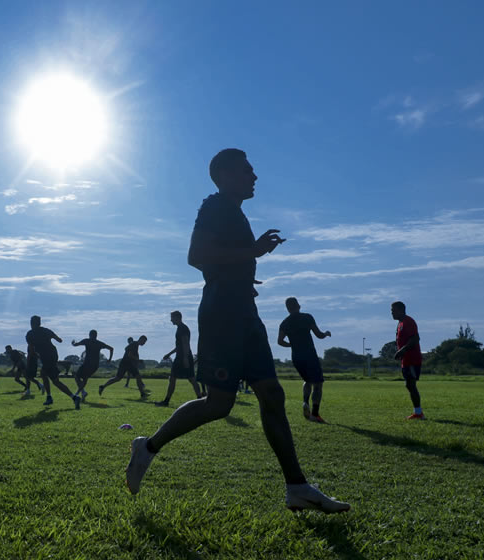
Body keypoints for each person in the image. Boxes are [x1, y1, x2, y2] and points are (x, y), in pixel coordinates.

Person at [125, 148, 349, 513]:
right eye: (247, 171)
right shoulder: (214, 206)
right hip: (223, 314)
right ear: (225, 175)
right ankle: (147, 447)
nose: (254, 177)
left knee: (272, 394)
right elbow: (196, 255)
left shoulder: (234, 212)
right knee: (219, 404)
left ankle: (296, 487)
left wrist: (245, 273)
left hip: (245, 311)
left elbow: (224, 257)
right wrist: (253, 252)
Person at [277, 297, 331, 423]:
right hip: (309, 355)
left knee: (307, 380)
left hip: (296, 357)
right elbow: (319, 335)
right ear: (298, 305)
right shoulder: (307, 317)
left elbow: (280, 341)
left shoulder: (284, 323)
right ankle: (315, 414)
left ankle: (305, 402)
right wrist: (326, 333)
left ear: (287, 308)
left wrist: (292, 344)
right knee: (318, 384)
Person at [25, 315, 79, 408]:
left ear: (31, 323)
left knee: (50, 378)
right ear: (39, 323)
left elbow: (31, 350)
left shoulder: (30, 334)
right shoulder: (46, 330)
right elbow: (59, 340)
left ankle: (67, 397)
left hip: (46, 357)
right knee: (49, 377)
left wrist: (29, 361)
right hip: (53, 354)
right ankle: (58, 397)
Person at [156, 311, 202, 406]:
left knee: (189, 379)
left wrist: (185, 358)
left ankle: (166, 401)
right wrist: (169, 354)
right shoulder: (180, 328)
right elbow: (179, 346)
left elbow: (185, 344)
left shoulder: (183, 329)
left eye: (172, 317)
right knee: (184, 379)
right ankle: (200, 400)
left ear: (177, 317)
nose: (171, 320)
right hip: (182, 357)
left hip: (182, 357)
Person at [391, 301, 424, 420]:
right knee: (409, 385)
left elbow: (415, 338)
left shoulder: (408, 321)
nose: (392, 313)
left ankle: (418, 413)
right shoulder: (400, 323)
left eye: (393, 310)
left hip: (412, 359)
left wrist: (402, 350)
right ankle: (417, 412)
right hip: (406, 360)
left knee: (410, 384)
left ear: (401, 310)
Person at [72, 330, 114, 401]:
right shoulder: (99, 343)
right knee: (85, 378)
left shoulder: (87, 341)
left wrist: (73, 343)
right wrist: (109, 359)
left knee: (77, 377)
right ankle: (82, 393)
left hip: (87, 363)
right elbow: (111, 348)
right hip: (95, 365)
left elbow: (76, 344)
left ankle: (80, 392)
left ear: (89, 335)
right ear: (96, 335)